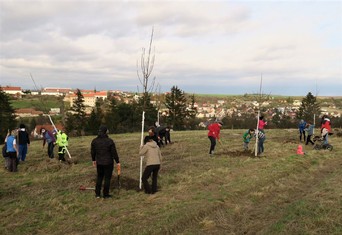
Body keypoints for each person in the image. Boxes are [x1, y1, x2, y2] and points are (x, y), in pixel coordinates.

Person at [91, 125, 120, 199]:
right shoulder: (109, 141)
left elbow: (93, 152)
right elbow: (114, 152)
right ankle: (105, 194)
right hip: (108, 162)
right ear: (106, 131)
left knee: (99, 177)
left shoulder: (94, 141)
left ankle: (97, 194)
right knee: (107, 178)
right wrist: (117, 161)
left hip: (99, 162)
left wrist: (93, 160)